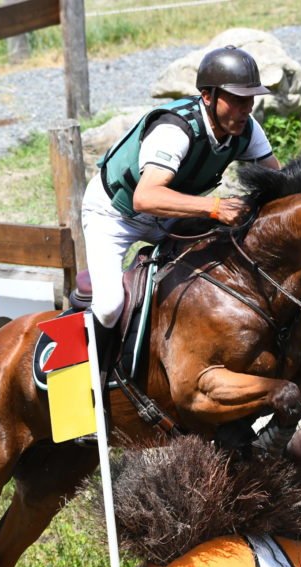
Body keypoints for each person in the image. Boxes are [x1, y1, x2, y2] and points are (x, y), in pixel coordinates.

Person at [80, 45, 282, 363]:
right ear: (207, 96)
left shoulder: (247, 130)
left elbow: (280, 183)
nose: (247, 109)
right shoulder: (175, 129)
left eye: (251, 99)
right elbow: (145, 197)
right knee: (109, 306)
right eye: (237, 99)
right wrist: (215, 208)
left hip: (170, 214)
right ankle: (100, 373)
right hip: (115, 214)